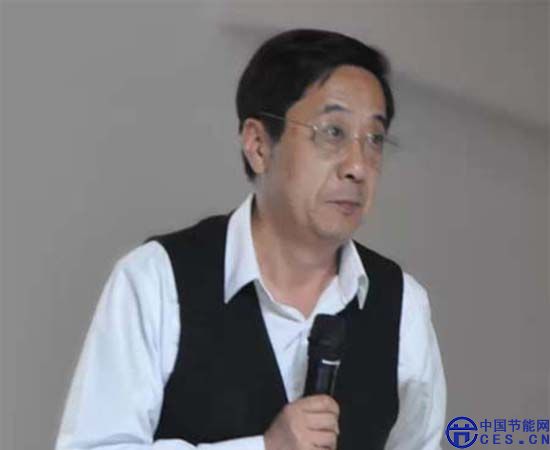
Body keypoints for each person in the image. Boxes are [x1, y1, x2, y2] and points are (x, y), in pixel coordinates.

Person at [55, 29, 446, 450]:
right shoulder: (157, 279)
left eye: (374, 140)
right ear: (258, 145)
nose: (358, 166)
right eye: (333, 132)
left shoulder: (402, 304)